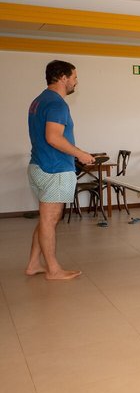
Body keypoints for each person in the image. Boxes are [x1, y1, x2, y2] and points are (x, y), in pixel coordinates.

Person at [25, 60, 95, 280]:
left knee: (45, 219)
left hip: (39, 165)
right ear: (63, 78)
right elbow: (53, 138)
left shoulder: (39, 101)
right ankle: (53, 270)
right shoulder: (57, 104)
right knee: (50, 220)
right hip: (54, 169)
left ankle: (33, 264)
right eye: (74, 77)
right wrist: (80, 154)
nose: (76, 82)